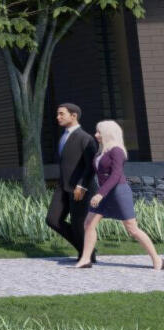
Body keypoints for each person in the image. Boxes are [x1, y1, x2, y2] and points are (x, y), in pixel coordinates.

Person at [78, 120, 163, 271]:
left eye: (99, 132)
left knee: (132, 229)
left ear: (108, 133)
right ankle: (85, 260)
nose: (96, 134)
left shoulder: (117, 150)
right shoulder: (101, 151)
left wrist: (100, 194)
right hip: (104, 193)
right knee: (89, 224)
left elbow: (116, 174)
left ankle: (157, 260)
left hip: (118, 193)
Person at [52, 102, 98, 254]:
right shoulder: (63, 136)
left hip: (80, 188)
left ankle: (87, 256)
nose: (58, 117)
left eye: (61, 114)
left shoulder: (86, 138)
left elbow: (91, 166)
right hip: (63, 187)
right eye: (58, 114)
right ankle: (86, 250)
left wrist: (82, 185)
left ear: (74, 116)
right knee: (52, 219)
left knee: (79, 224)